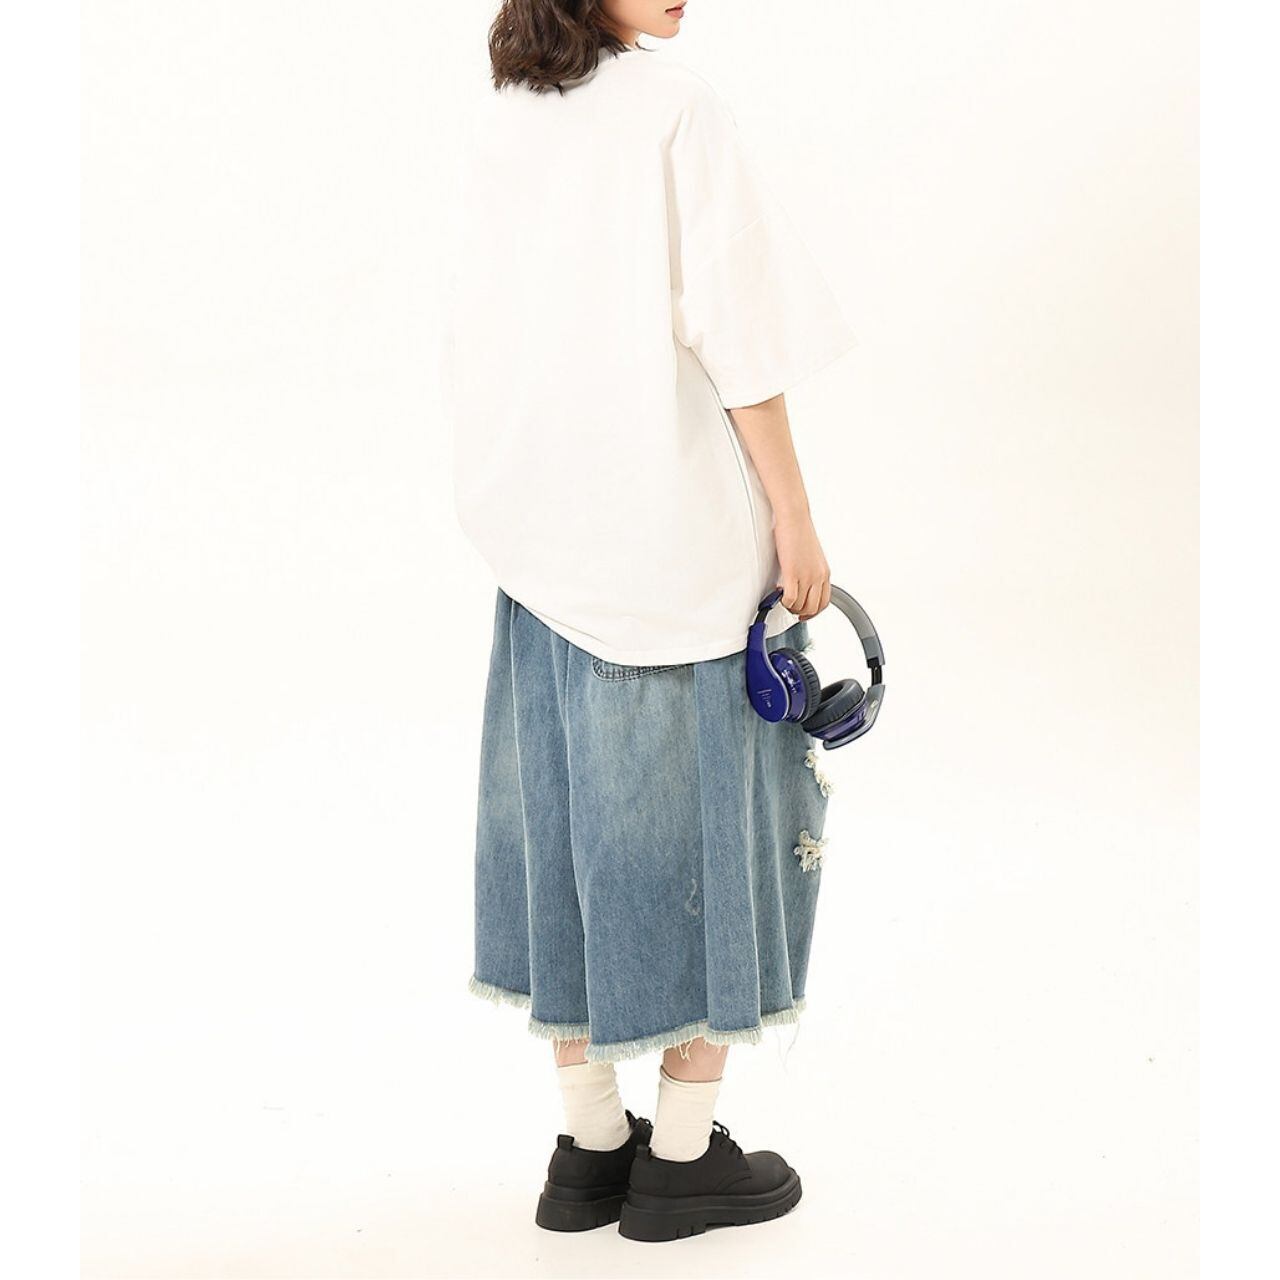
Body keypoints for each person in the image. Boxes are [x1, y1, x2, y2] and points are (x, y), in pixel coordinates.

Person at [440, 0, 856, 1241]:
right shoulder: (678, 110)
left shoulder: (507, 111)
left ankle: (587, 1146)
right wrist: (795, 517)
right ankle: (678, 1157)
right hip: (667, 545)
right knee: (707, 839)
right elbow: (740, 337)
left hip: (543, 542)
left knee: (564, 830)